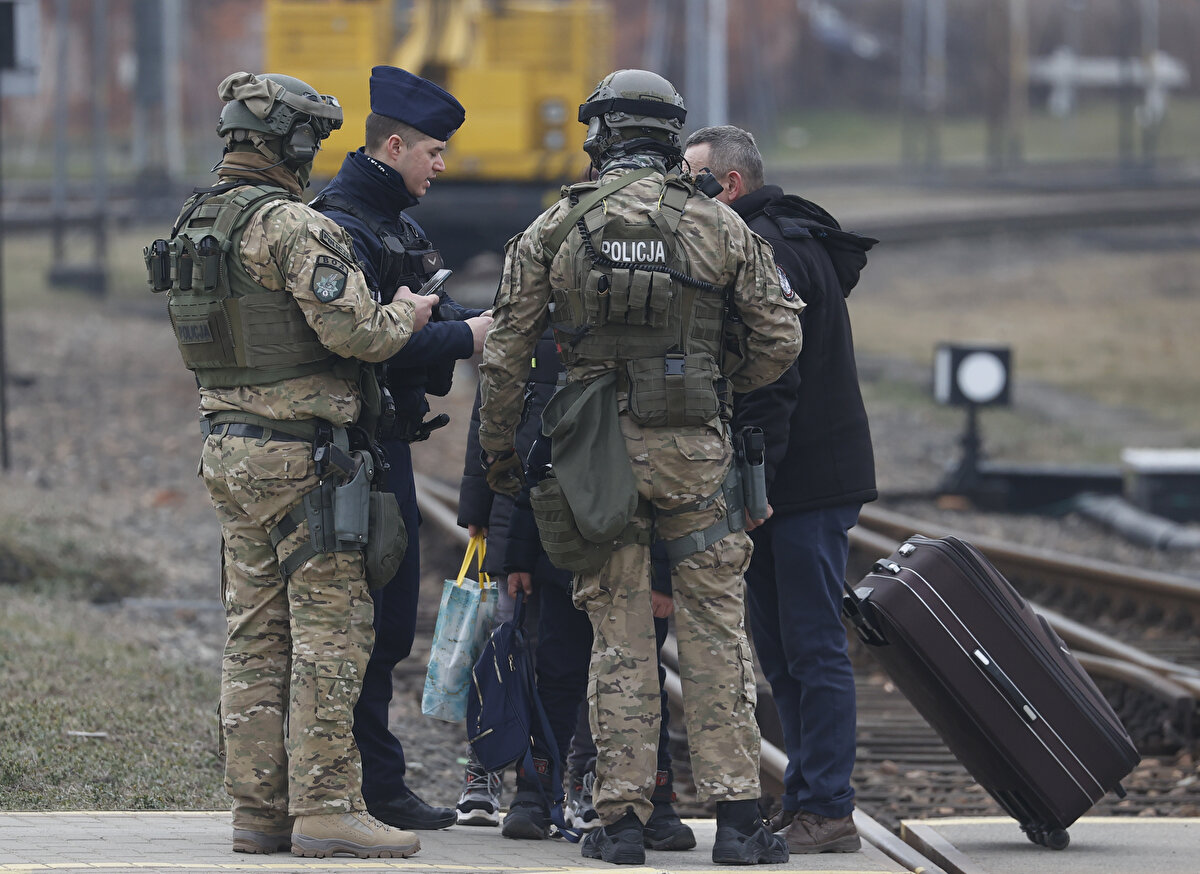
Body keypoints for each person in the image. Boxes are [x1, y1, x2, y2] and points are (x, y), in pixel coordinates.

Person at [475, 69, 802, 866]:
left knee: (617, 633)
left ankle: (618, 823)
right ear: (668, 134)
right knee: (716, 632)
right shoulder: (719, 226)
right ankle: (735, 821)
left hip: (597, 454)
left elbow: (506, 356)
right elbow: (781, 340)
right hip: (695, 449)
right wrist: (714, 386)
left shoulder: (554, 227)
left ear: (602, 135)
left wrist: (500, 460)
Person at [160, 71, 439, 858]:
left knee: (253, 632)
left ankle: (258, 812)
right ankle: (324, 807)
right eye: (310, 139)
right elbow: (359, 335)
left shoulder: (196, 221)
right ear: (289, 142)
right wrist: (409, 313)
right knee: (330, 634)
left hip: (228, 448)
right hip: (303, 459)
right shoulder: (289, 225)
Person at [683, 125, 878, 854]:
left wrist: (752, 480)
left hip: (800, 485)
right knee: (783, 649)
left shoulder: (772, 249)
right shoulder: (772, 237)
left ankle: (828, 807)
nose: (684, 193)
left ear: (728, 185)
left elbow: (775, 376)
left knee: (812, 647)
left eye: (694, 179)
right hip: (783, 482)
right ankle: (805, 799)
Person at [310, 65, 491, 832]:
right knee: (358, 627)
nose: (442, 166)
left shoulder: (398, 225)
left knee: (387, 626)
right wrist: (470, 335)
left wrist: (470, 321)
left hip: (390, 450)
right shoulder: (343, 224)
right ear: (395, 146)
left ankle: (376, 784)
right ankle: (364, 789)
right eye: (434, 153)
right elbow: (376, 345)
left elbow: (432, 305)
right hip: (352, 454)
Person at [459, 332, 695, 851]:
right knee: (558, 669)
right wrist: (517, 555)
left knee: (642, 676)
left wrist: (662, 576)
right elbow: (532, 457)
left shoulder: (660, 350)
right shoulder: (554, 343)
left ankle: (656, 802)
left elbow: (670, 478)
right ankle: (534, 794)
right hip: (561, 547)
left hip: (637, 548)